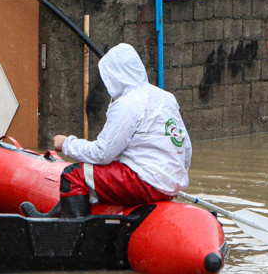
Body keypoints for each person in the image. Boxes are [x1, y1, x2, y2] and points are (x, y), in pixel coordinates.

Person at [22, 43, 191, 219]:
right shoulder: (166, 98)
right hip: (169, 184)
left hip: (145, 182)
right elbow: (185, 146)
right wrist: (174, 180)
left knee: (74, 175)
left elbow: (103, 153)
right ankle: (50, 217)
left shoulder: (127, 104)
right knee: (95, 174)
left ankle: (73, 232)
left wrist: (66, 144)